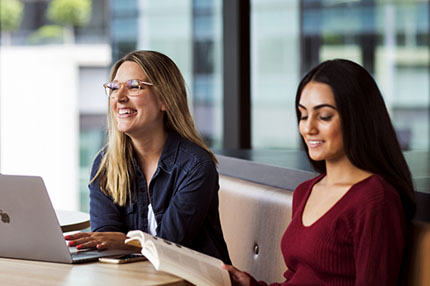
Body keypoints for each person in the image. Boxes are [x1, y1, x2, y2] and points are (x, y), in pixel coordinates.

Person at [223, 59, 416, 285]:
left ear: (356, 117)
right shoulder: (306, 191)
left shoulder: (375, 200)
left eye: (323, 116)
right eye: (303, 115)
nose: (308, 128)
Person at [65, 50, 231, 264]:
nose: (120, 97)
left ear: (165, 100)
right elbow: (104, 240)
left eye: (134, 86)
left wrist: (123, 242)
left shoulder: (195, 166)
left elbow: (171, 245)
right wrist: (114, 243)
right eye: (114, 87)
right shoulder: (105, 165)